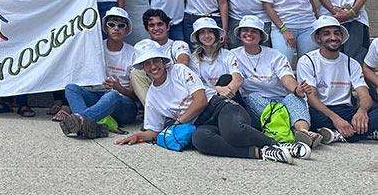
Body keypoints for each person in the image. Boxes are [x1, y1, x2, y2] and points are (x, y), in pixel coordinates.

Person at [116, 43, 306, 164]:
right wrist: (139, 135)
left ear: (162, 61)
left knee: (233, 132)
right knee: (200, 141)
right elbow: (155, 130)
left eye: (155, 61)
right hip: (201, 124)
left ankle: (280, 145)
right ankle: (261, 153)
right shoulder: (152, 96)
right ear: (143, 69)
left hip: (219, 106)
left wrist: (179, 122)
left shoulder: (179, 70)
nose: (153, 67)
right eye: (147, 64)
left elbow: (200, 101)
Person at [227, 15, 322, 148]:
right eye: (245, 30)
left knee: (294, 98)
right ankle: (286, 132)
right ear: (239, 34)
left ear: (261, 36)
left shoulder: (275, 55)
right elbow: (236, 78)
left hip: (280, 99)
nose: (249, 34)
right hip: (257, 105)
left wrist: (297, 89)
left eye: (254, 31)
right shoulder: (233, 54)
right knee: (253, 97)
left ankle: (303, 132)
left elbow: (286, 77)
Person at [56, 7, 138, 138]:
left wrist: (119, 88)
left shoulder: (134, 53)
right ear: (106, 28)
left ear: (126, 30)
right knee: (71, 88)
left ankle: (81, 119)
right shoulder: (95, 47)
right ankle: (89, 126)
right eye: (111, 24)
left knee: (112, 95)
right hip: (98, 96)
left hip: (124, 106)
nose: (116, 28)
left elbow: (136, 96)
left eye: (121, 25)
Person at [296, 16, 378, 143]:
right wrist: (335, 119)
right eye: (326, 34)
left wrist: (362, 111)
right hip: (322, 111)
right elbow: (312, 99)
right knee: (310, 117)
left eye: (337, 33)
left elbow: (364, 95)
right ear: (318, 38)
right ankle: (362, 133)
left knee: (370, 110)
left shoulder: (352, 63)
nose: (333, 37)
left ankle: (336, 135)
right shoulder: (307, 61)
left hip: (346, 110)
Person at [130, 9, 190, 103]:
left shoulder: (178, 44)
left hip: (178, 88)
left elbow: (183, 62)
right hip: (156, 92)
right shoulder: (142, 49)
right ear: (147, 29)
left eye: (160, 24)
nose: (156, 28)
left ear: (168, 27)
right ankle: (154, 109)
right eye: (151, 25)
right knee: (136, 73)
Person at [187, 17, 242, 100]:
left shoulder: (227, 54)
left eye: (210, 32)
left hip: (231, 95)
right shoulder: (194, 59)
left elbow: (238, 78)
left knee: (226, 78)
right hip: (209, 100)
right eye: (202, 32)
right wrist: (218, 90)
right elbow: (196, 86)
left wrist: (226, 93)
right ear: (198, 37)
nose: (207, 36)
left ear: (216, 35)